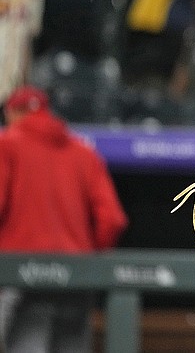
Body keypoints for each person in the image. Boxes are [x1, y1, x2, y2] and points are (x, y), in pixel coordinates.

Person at [0, 86, 128, 352]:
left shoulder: (6, 144)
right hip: (75, 279)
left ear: (13, 113)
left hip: (22, 276)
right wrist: (87, 256)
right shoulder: (84, 151)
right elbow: (113, 219)